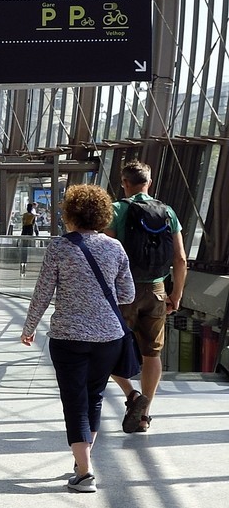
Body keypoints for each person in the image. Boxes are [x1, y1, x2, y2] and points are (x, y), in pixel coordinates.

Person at [21, 183, 135, 493]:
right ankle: (82, 460)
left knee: (74, 402)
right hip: (109, 337)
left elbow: (43, 293)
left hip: (69, 337)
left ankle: (84, 473)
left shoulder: (59, 247)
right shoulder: (115, 247)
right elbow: (127, 293)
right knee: (93, 398)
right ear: (101, 214)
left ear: (70, 214)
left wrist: (29, 327)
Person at [108, 158, 187, 435]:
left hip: (124, 290)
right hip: (156, 289)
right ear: (149, 183)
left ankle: (132, 396)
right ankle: (145, 415)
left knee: (108, 349)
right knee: (152, 353)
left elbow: (107, 255)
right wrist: (175, 293)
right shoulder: (167, 211)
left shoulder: (117, 209)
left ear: (124, 183)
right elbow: (179, 258)